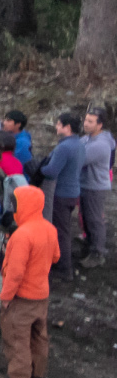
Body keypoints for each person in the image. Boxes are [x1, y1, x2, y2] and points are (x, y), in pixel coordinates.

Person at [0, 186, 58, 378]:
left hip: (22, 297)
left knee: (17, 340)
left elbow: (15, 272)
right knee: (39, 338)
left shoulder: (22, 234)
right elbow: (55, 256)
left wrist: (6, 297)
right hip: (41, 295)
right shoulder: (49, 228)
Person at [39, 113, 84, 281]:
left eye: (59, 124)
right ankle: (62, 264)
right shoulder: (79, 144)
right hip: (72, 192)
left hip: (61, 194)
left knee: (61, 231)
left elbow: (51, 171)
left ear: (67, 127)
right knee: (64, 229)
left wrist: (38, 169)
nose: (56, 127)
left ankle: (64, 267)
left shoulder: (64, 147)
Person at [78, 108, 113, 269]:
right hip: (85, 184)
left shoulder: (101, 144)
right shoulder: (87, 139)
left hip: (95, 186)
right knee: (86, 218)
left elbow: (79, 159)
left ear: (100, 125)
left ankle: (98, 252)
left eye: (90, 121)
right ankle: (89, 244)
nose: (86, 124)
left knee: (94, 220)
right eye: (85, 120)